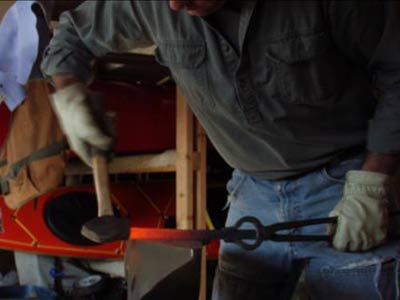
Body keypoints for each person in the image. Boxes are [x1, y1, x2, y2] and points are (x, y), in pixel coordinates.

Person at [41, 1, 400, 299]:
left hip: (346, 185)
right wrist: (70, 96)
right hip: (252, 193)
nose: (175, 5)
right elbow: (72, 34)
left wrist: (373, 182)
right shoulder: (156, 3)